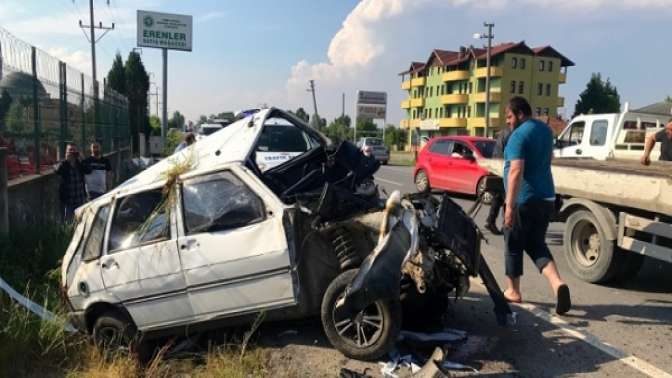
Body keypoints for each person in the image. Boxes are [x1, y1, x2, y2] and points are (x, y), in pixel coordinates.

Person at [502, 96, 571, 315]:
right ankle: (558, 284)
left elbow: (515, 171)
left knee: (512, 243)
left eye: (510, 116)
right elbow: (547, 160)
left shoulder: (519, 136)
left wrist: (510, 206)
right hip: (546, 198)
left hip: (524, 199)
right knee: (536, 245)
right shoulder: (545, 131)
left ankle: (513, 291)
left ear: (521, 114)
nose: (508, 121)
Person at [484, 126, 513, 235]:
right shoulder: (513, 134)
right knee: (507, 197)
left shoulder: (504, 132)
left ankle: (491, 221)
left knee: (498, 196)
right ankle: (506, 225)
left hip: (497, 166)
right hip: (504, 167)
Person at [55, 143, 91, 222]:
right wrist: (66, 160)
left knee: (81, 222)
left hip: (80, 199)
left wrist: (82, 158)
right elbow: (57, 170)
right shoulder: (63, 164)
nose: (72, 152)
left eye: (74, 150)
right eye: (70, 150)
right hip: (68, 201)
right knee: (68, 222)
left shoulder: (80, 163)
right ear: (66, 152)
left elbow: (89, 170)